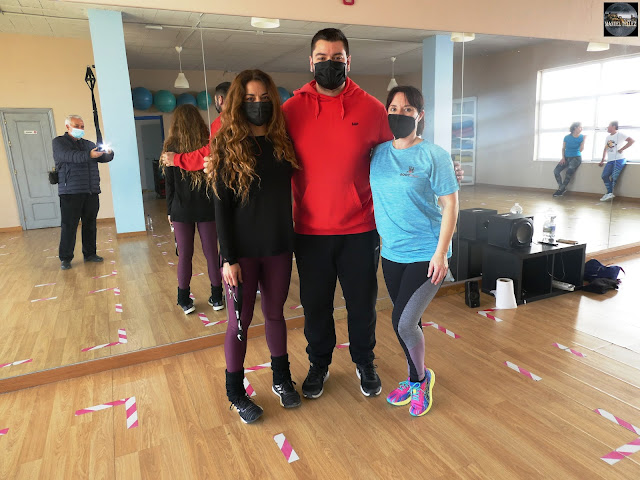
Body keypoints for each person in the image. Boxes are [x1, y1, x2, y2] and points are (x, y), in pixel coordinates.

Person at [209, 70, 301, 423]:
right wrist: (228, 258)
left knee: (275, 314)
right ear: (238, 102)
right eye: (250, 99)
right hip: (241, 253)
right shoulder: (227, 146)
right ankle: (235, 392)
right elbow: (220, 207)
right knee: (240, 322)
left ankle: (281, 378)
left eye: (263, 98)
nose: (258, 104)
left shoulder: (282, 142)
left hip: (278, 246)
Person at [370, 86, 459, 416]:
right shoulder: (377, 153)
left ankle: (421, 379)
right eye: (393, 108)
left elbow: (450, 205)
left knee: (403, 322)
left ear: (420, 115)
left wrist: (441, 252)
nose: (400, 114)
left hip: (426, 253)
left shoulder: (434, 155)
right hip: (392, 253)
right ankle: (413, 376)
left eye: (408, 109)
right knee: (410, 321)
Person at [162, 104, 224, 314]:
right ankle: (217, 297)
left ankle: (184, 300)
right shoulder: (207, 143)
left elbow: (169, 184)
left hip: (181, 209)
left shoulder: (170, 148)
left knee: (185, 255)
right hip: (207, 207)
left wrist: (169, 211)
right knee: (212, 253)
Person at [52, 115, 113, 270]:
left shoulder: (88, 144)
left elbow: (102, 158)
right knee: (69, 225)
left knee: (90, 224)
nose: (80, 129)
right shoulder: (59, 143)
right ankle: (66, 258)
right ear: (68, 127)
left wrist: (109, 153)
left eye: (82, 126)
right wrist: (89, 155)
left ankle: (90, 254)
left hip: (91, 191)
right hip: (70, 192)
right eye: (77, 126)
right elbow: (70, 156)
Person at [599, 121, 634, 201]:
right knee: (604, 176)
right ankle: (609, 193)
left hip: (619, 159)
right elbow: (605, 148)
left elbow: (631, 141)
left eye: (609, 126)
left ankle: (609, 193)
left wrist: (622, 149)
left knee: (614, 177)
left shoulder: (620, 134)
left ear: (614, 126)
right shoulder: (608, 137)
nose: (607, 127)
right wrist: (602, 159)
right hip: (610, 160)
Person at [553, 122, 585, 197]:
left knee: (569, 172)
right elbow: (563, 148)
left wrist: (584, 141)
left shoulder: (582, 137)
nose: (581, 129)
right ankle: (562, 188)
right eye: (580, 127)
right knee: (556, 171)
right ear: (575, 128)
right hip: (566, 157)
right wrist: (563, 158)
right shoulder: (567, 137)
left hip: (576, 158)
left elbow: (581, 150)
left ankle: (560, 190)